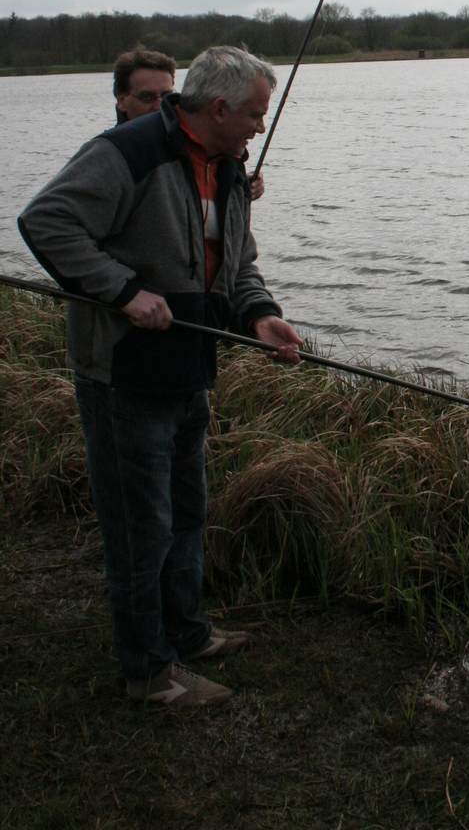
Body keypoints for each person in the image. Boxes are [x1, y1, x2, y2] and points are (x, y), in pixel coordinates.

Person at [19, 46, 302, 706]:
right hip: (123, 375)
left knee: (186, 513)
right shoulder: (129, 151)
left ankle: (189, 635)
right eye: (256, 115)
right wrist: (122, 291)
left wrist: (260, 317)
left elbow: (237, 266)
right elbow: (46, 221)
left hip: (188, 371)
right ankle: (148, 670)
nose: (261, 127)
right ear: (221, 107)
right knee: (140, 528)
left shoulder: (229, 170)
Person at [113, 44, 265, 199]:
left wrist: (240, 187)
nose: (159, 106)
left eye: (166, 96)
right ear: (122, 101)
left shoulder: (209, 152)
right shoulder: (111, 156)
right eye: (147, 98)